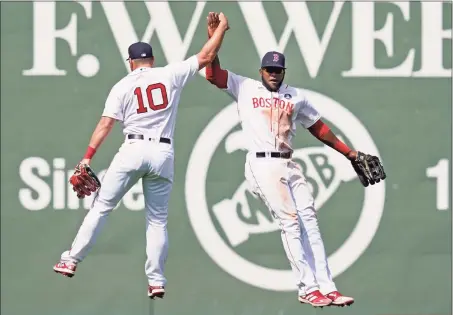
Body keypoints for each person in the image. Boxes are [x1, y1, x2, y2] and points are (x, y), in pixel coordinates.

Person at [53, 12, 230, 300]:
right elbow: (207, 56)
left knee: (101, 208)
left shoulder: (123, 85)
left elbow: (106, 124)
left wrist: (87, 158)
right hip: (163, 152)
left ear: (131, 62)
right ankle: (156, 280)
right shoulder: (170, 73)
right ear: (152, 60)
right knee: (157, 220)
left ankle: (71, 259)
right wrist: (220, 29)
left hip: (133, 149)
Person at [204, 13, 355, 308]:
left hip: (289, 163)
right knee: (290, 222)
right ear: (261, 70)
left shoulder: (295, 96)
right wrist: (214, 39)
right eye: (269, 69)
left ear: (284, 72)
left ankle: (327, 286)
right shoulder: (245, 87)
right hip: (262, 165)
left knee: (310, 219)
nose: (274, 73)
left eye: (278, 70)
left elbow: (318, 127)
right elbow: (213, 75)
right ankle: (306, 287)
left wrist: (348, 153)